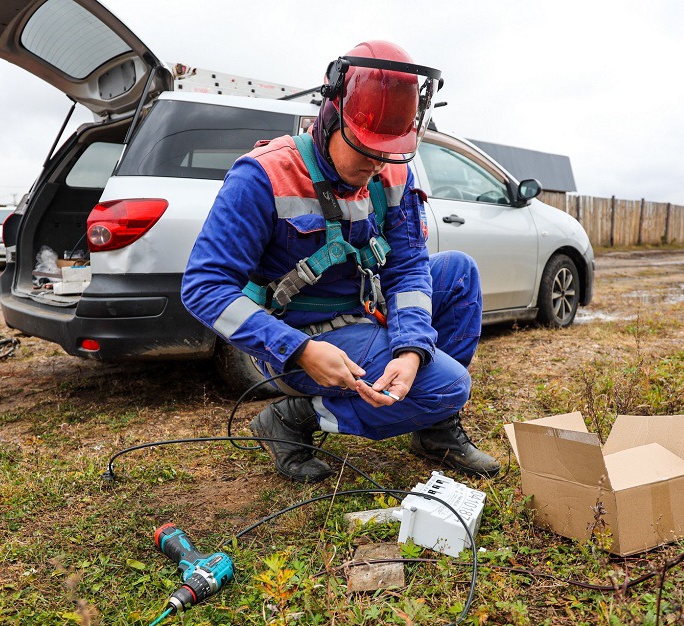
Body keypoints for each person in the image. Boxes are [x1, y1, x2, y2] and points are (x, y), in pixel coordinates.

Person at [182, 40, 500, 483]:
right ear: (331, 116)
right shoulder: (263, 175)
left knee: (458, 271)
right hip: (298, 337)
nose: (378, 164)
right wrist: (300, 350)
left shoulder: (393, 172)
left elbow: (407, 267)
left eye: (388, 150)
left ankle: (435, 429)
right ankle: (294, 416)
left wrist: (411, 348)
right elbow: (204, 288)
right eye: (367, 148)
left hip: (365, 311)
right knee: (448, 386)